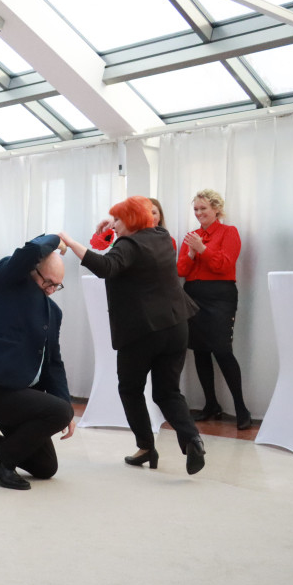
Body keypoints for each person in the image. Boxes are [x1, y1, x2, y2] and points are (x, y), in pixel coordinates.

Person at [61, 196, 206, 476]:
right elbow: (112, 252)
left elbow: (105, 266)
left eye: (116, 219)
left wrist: (69, 239)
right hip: (176, 325)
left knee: (130, 388)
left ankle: (146, 447)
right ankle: (192, 439)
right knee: (168, 391)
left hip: (142, 331)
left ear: (129, 221)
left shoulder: (129, 245)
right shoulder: (161, 236)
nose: (113, 223)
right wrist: (109, 229)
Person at [0, 235, 75, 491]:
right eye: (48, 282)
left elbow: (53, 363)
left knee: (45, 467)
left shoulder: (54, 313)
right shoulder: (6, 281)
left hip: (23, 399)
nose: (52, 290)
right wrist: (56, 239)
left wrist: (64, 404)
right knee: (60, 411)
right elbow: (29, 251)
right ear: (33, 270)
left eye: (57, 286)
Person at [177, 189, 251, 430]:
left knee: (222, 350)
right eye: (196, 209)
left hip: (220, 296)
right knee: (199, 350)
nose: (199, 213)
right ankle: (211, 404)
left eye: (203, 209)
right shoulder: (192, 236)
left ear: (216, 209)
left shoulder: (229, 232)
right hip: (193, 295)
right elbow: (181, 270)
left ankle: (241, 407)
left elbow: (224, 264)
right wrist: (191, 251)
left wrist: (203, 249)